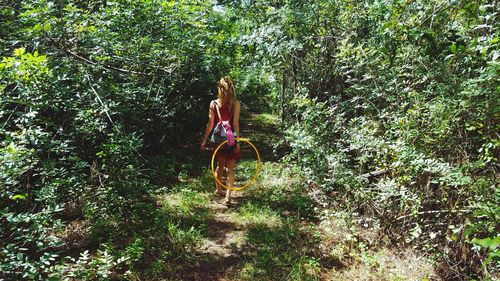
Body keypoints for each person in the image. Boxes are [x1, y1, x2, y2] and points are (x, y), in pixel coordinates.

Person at [200, 76, 241, 205]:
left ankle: (219, 189)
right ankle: (228, 196)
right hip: (230, 138)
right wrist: (237, 142)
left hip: (217, 139)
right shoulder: (236, 104)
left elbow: (210, 124)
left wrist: (204, 140)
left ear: (219, 89)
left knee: (219, 166)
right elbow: (235, 124)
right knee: (230, 168)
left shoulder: (214, 103)